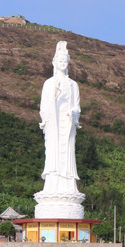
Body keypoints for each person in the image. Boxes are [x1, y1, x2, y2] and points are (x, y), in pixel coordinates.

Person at [39, 41, 81, 195]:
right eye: (60, 61)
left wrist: (73, 114)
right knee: (53, 153)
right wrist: (53, 100)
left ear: (68, 63)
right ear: (54, 62)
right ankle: (52, 184)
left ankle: (69, 184)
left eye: (65, 61)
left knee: (68, 153)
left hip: (67, 123)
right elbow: (44, 106)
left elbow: (76, 106)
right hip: (53, 124)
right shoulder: (49, 83)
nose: (62, 63)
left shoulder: (73, 85)